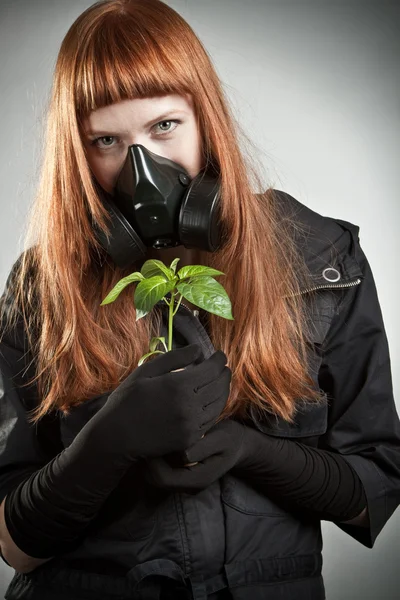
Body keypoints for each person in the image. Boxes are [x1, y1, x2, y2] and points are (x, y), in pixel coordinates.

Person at [0, 0, 399, 598]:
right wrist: (106, 445)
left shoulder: (321, 257)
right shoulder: (42, 285)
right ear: (77, 154)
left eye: (164, 126)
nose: (142, 167)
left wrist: (250, 451)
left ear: (204, 118)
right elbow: (13, 545)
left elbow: (374, 498)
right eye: (107, 139)